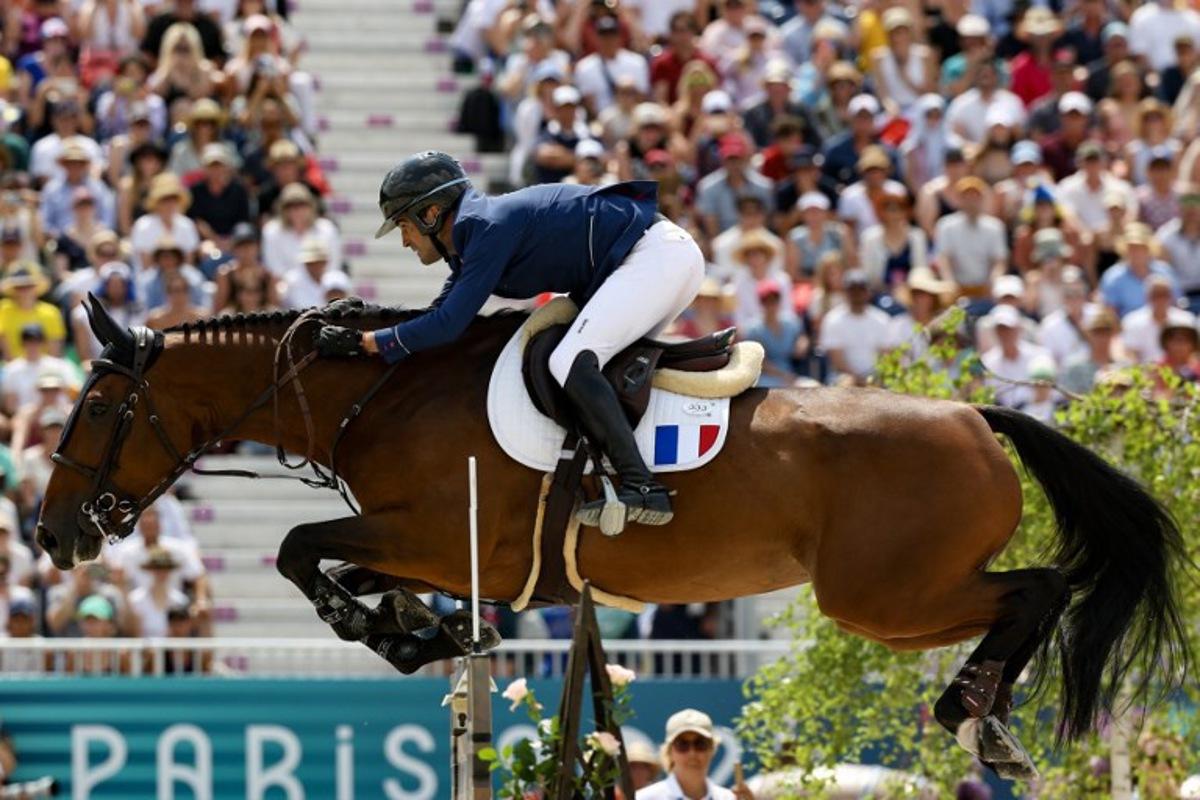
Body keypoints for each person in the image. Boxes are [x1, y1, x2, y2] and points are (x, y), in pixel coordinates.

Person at [315, 151, 704, 531]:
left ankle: (642, 485)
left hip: (655, 256)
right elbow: (437, 316)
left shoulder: (485, 226)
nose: (404, 241)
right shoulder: (473, 236)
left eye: (404, 226)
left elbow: (448, 324)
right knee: (580, 361)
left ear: (430, 214)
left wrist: (364, 342)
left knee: (569, 360)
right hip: (653, 258)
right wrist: (375, 338)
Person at [636, 708, 747, 800]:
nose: (692, 753)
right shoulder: (644, 798)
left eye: (700, 744)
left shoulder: (729, 798)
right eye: (682, 745)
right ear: (669, 751)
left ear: (712, 749)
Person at [819, 269, 892, 385]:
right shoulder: (833, 319)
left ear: (868, 292)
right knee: (846, 382)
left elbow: (885, 356)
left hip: (875, 378)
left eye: (861, 289)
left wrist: (872, 380)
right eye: (853, 290)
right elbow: (837, 361)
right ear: (845, 292)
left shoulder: (882, 319)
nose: (857, 294)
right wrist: (857, 379)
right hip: (843, 377)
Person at [744, 279, 808, 387]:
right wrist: (784, 375)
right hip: (766, 379)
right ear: (761, 303)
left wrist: (802, 344)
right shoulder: (754, 329)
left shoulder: (790, 322)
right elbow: (760, 363)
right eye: (767, 301)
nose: (771, 305)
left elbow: (802, 336)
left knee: (812, 387)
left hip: (791, 372)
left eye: (774, 301)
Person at [0, 263, 64, 359]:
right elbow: (5, 349)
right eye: (19, 287)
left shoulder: (51, 313)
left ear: (36, 287)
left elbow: (54, 352)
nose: (24, 291)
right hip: (12, 369)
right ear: (13, 289)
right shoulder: (3, 310)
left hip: (44, 367)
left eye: (29, 286)